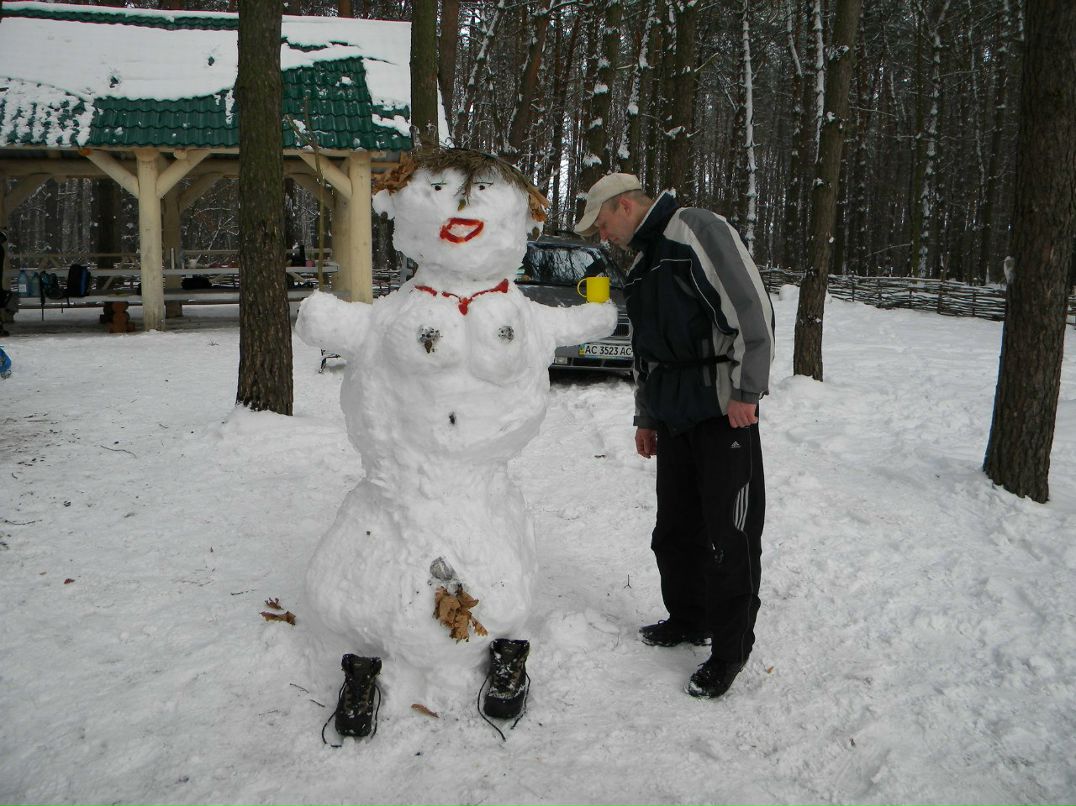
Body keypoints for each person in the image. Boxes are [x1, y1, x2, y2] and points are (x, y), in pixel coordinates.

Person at [575, 173, 775, 699]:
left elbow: (750, 308)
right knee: (675, 530)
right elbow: (646, 349)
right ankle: (689, 618)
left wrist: (747, 392)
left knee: (729, 537)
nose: (602, 236)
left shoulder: (696, 230)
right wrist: (646, 416)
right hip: (673, 416)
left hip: (722, 411)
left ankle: (730, 651)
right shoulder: (643, 264)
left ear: (622, 205)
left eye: (602, 223)